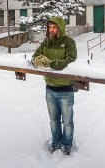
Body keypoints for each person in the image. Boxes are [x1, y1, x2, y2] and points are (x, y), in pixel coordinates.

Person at [31, 16, 77, 156]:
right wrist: (38, 61)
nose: (52, 30)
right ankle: (56, 143)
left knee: (67, 122)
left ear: (60, 28)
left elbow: (70, 59)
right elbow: (35, 57)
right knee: (53, 120)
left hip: (66, 89)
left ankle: (67, 145)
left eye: (55, 27)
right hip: (50, 87)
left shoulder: (69, 42)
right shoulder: (46, 42)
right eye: (50, 27)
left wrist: (50, 64)